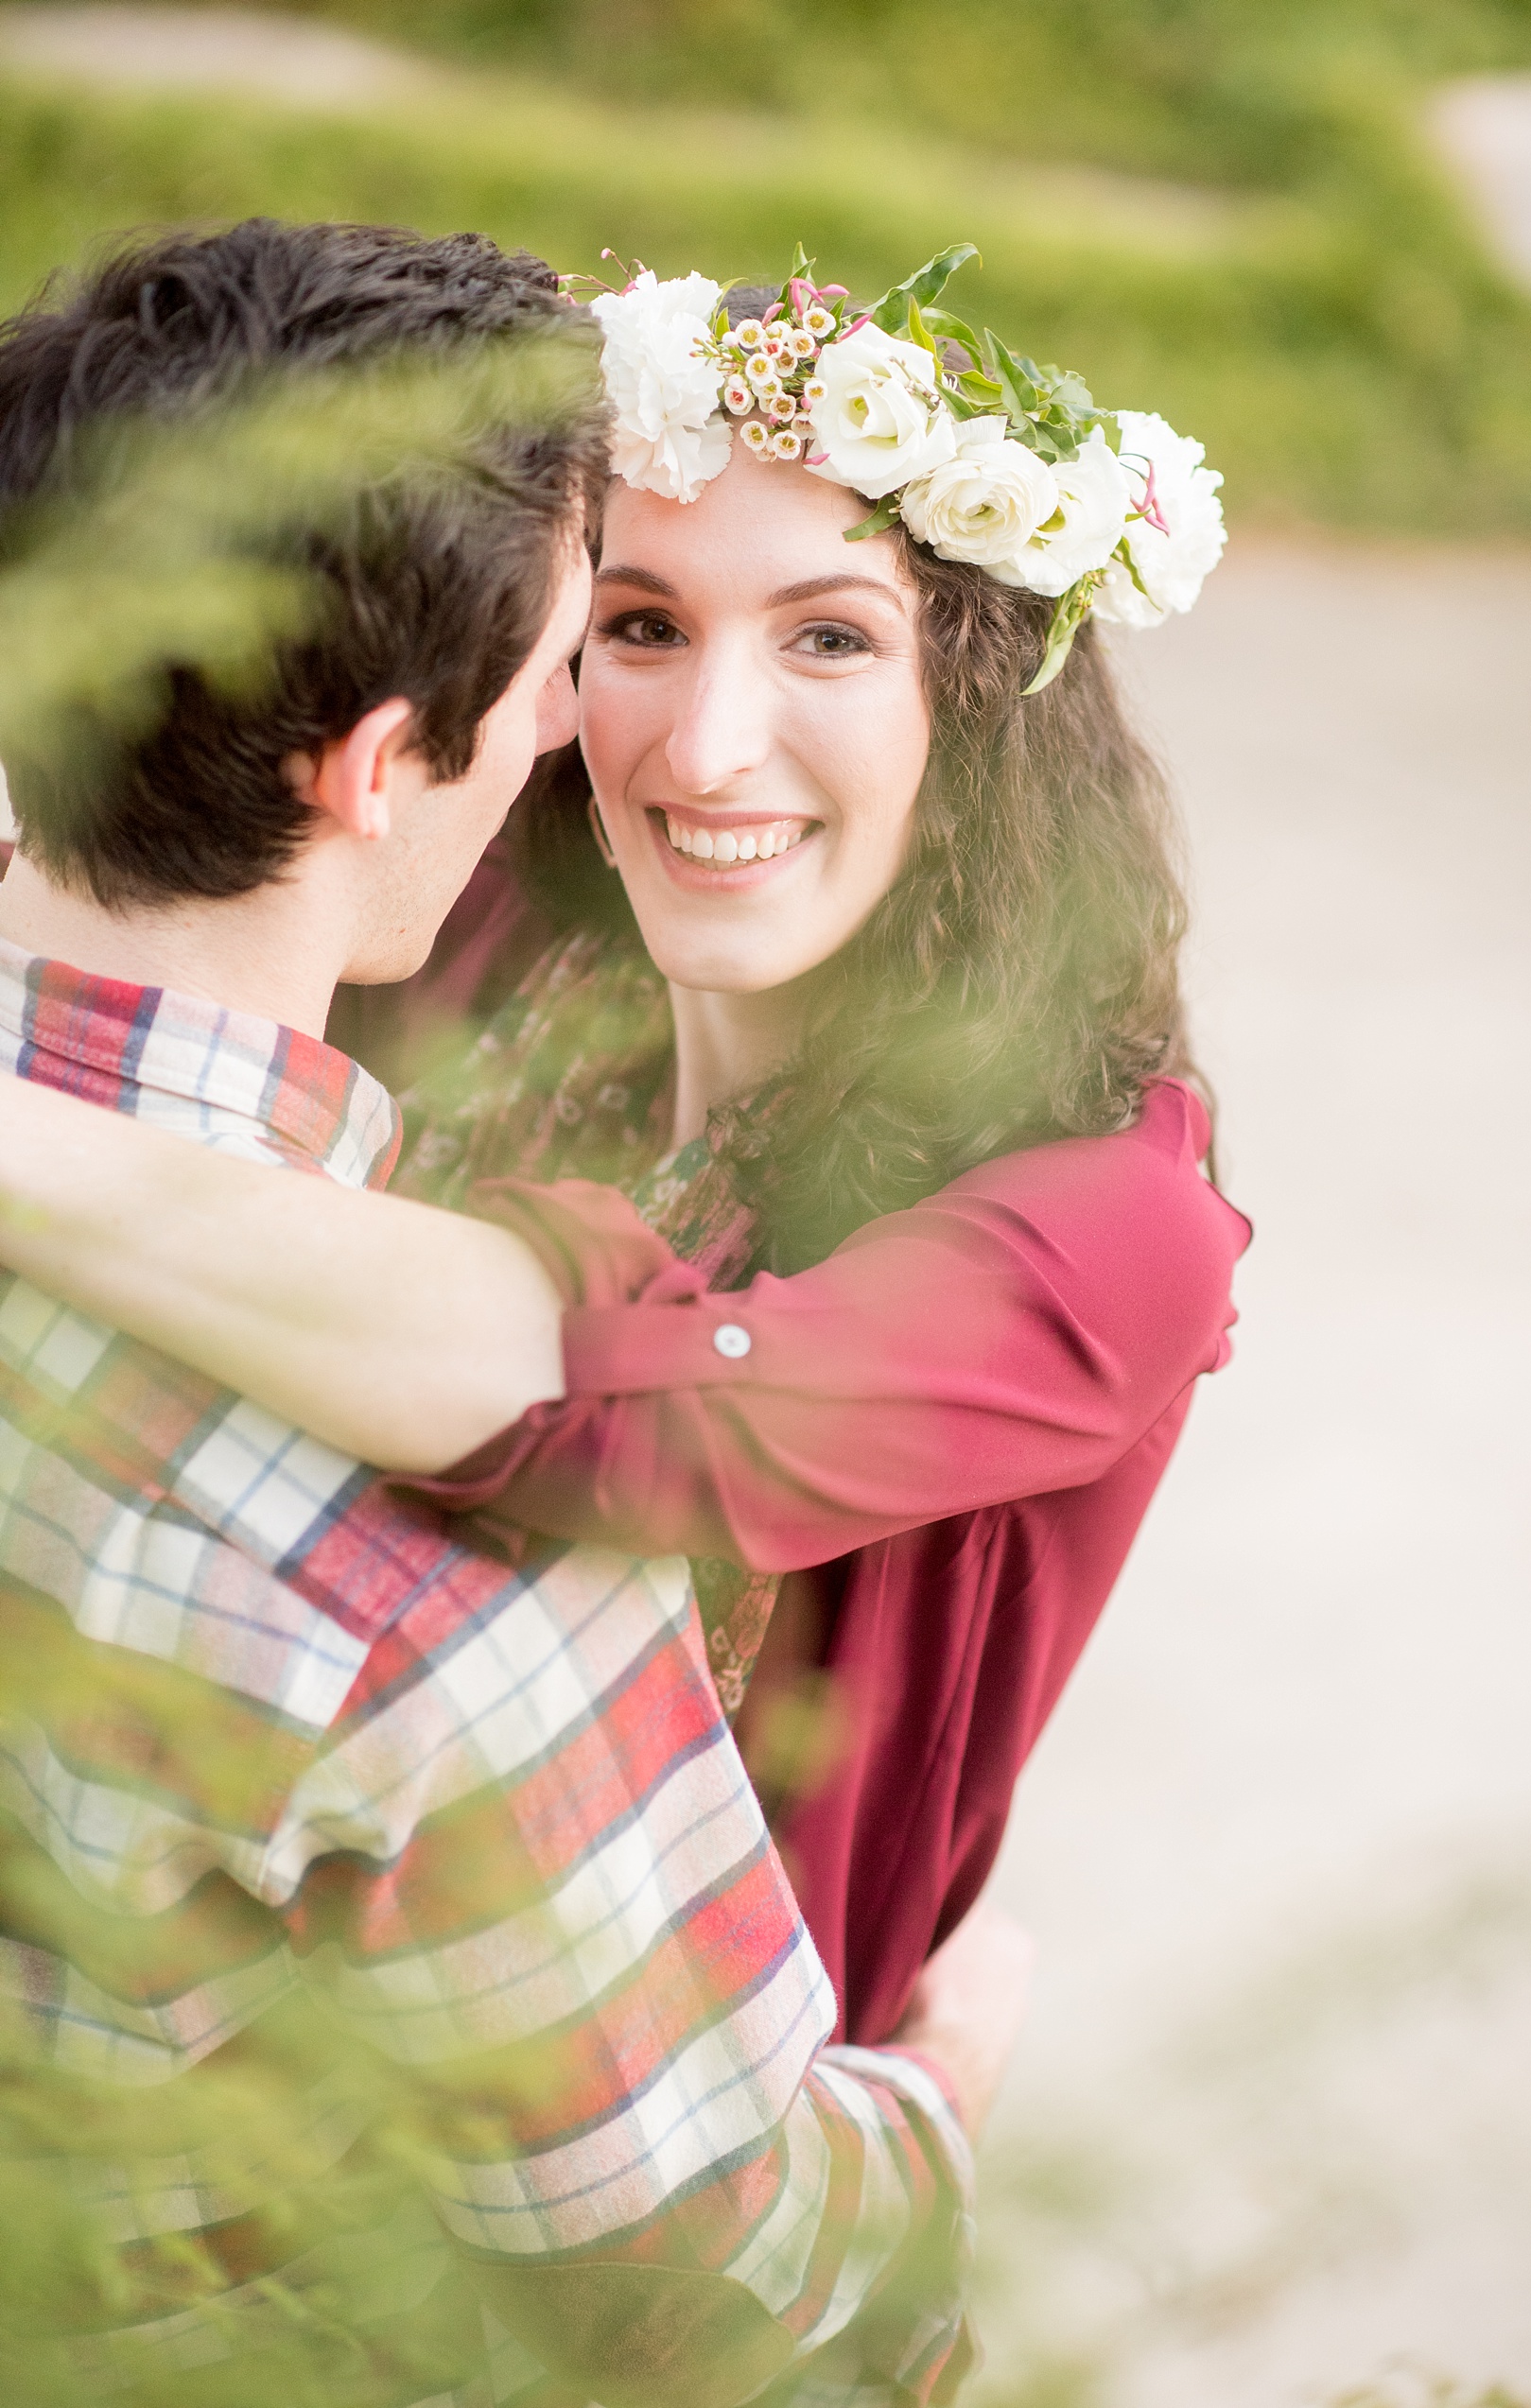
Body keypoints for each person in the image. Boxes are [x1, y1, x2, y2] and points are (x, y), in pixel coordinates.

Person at [0, 248, 1250, 2064]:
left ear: (981, 697)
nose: (703, 747)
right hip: (273, 1989)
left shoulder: (1116, 1218)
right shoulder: (496, 922)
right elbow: (186, 818)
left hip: (696, 2149)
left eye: (831, 635)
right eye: (640, 626)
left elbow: (613, 1404)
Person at [0, 221, 1011, 2408]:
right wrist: (933, 2093)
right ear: (376, 766)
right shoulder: (438, 1565)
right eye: (577, 650)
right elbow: (721, 2309)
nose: (579, 724)